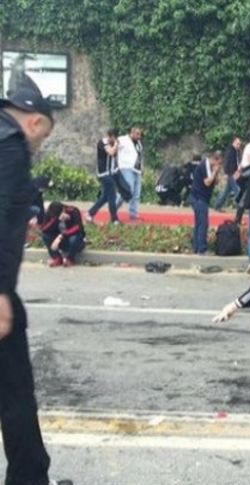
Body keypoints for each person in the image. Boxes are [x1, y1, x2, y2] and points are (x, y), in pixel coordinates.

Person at [0, 75, 73, 485]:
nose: (38, 145)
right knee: (15, 393)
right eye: (42, 136)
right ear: (33, 122)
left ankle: (31, 474)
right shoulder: (10, 144)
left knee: (14, 392)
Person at [86, 129, 120, 225]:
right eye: (113, 137)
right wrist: (116, 144)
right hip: (104, 174)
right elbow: (111, 153)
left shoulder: (113, 143)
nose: (114, 139)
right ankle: (115, 219)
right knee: (112, 196)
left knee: (105, 197)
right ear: (109, 136)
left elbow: (116, 155)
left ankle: (90, 214)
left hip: (111, 173)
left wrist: (116, 145)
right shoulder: (102, 143)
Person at [191, 151, 222, 255]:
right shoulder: (204, 165)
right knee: (203, 223)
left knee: (199, 223)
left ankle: (196, 247)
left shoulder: (211, 167)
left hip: (203, 198)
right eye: (219, 163)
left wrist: (216, 173)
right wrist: (214, 172)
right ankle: (202, 249)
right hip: (199, 198)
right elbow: (207, 182)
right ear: (215, 160)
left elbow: (215, 182)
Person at [40, 202, 86, 267]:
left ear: (63, 210)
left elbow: (78, 227)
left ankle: (70, 259)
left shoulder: (73, 210)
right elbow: (44, 229)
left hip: (75, 241)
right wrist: (55, 220)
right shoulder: (50, 213)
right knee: (45, 235)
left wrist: (62, 235)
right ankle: (57, 258)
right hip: (60, 242)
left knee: (74, 238)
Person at [117, 126, 144, 222]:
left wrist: (142, 169)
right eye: (137, 134)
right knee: (127, 190)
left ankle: (134, 214)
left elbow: (140, 156)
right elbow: (115, 147)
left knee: (136, 194)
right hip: (126, 168)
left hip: (137, 170)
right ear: (132, 133)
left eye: (140, 134)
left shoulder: (139, 143)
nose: (139, 136)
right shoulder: (123, 139)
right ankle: (114, 208)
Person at [213, 136, 242, 211]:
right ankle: (241, 207)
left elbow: (236, 162)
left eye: (239, 144)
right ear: (234, 142)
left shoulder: (236, 151)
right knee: (238, 191)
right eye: (238, 143)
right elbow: (227, 161)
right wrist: (226, 173)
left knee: (226, 192)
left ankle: (217, 206)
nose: (239, 145)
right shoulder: (230, 150)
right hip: (230, 173)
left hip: (233, 173)